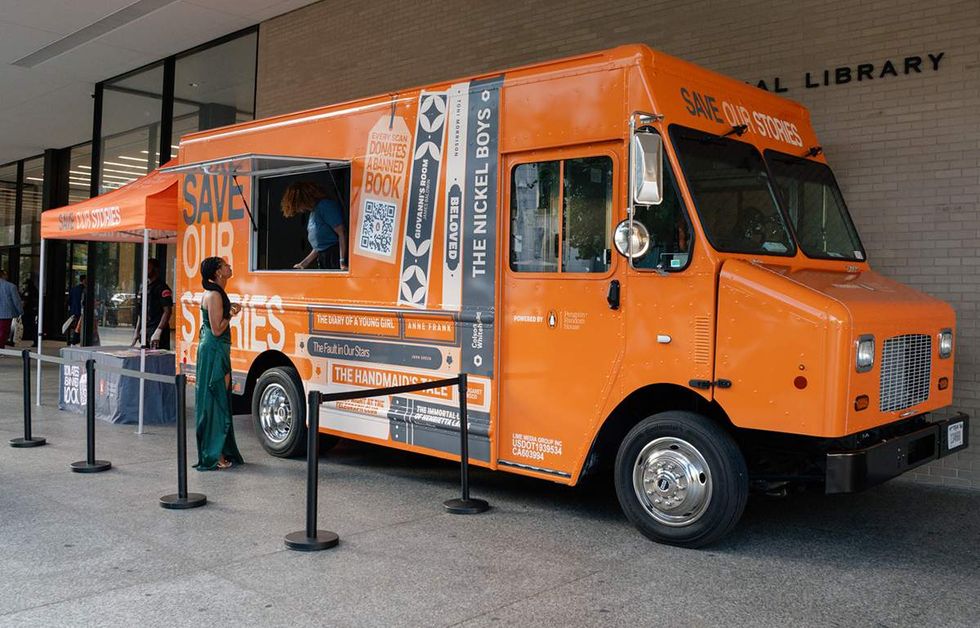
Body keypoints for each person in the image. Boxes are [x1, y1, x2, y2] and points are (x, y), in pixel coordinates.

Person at [194, 257, 244, 471]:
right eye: (225, 265)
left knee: (217, 399)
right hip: (215, 351)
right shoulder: (214, 295)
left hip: (215, 349)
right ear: (217, 273)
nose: (229, 267)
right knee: (217, 400)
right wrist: (232, 313)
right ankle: (216, 455)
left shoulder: (214, 293)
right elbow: (217, 329)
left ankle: (219, 450)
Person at [281, 181, 348, 270]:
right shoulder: (313, 212)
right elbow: (319, 246)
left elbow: (342, 232)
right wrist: (304, 263)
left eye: (297, 204)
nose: (299, 209)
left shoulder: (325, 206)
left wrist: (342, 262)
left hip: (334, 256)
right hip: (323, 258)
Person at [132, 258, 173, 350]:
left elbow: (167, 311)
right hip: (146, 329)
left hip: (157, 328)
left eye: (149, 268)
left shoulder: (161, 287)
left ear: (156, 269)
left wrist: (159, 330)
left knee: (158, 360)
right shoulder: (144, 287)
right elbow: (141, 312)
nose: (146, 270)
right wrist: (137, 330)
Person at [0, 269, 23, 348]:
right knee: (3, 332)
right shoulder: (11, 286)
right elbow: (16, 301)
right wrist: (20, 312)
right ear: (3, 275)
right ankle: (1, 348)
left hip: (5, 313)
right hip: (6, 314)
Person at [66, 274, 85, 345]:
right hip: (81, 311)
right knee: (78, 326)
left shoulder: (73, 289)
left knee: (75, 325)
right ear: (83, 280)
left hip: (74, 310)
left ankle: (72, 340)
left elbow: (69, 301)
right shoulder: (84, 289)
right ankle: (75, 340)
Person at [21, 274, 38, 347]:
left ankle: (28, 336)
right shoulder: (35, 290)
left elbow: (25, 300)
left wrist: (21, 307)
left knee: (30, 325)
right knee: (33, 325)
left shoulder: (29, 291)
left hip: (28, 311)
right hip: (32, 310)